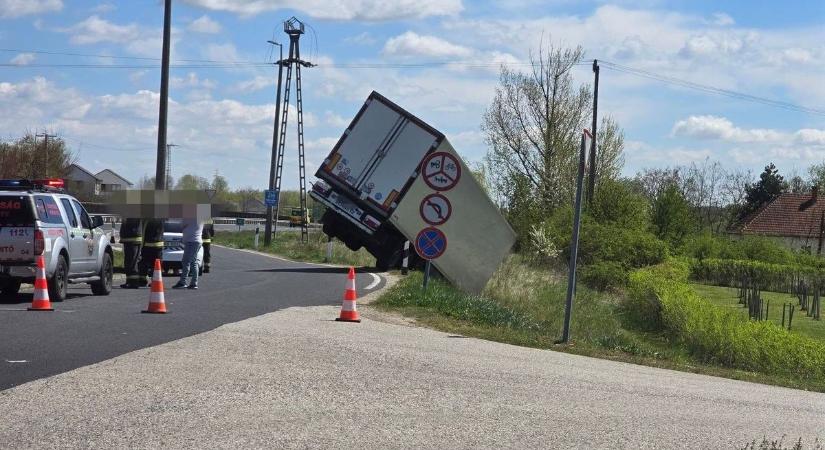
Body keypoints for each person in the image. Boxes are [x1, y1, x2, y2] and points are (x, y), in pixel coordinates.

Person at [173, 217, 203, 290]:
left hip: (191, 242)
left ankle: (183, 282)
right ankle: (193, 283)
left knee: (186, 262)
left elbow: (182, 225)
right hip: (196, 241)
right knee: (193, 262)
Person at [119, 218, 143, 289]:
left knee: (132, 262)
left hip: (132, 238)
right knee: (129, 262)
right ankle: (129, 281)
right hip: (129, 238)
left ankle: (133, 282)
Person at [140, 218, 165, 286]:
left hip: (148, 244)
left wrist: (141, 246)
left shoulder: (147, 219)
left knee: (144, 263)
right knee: (156, 265)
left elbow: (143, 232)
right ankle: (156, 281)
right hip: (159, 245)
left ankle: (142, 280)